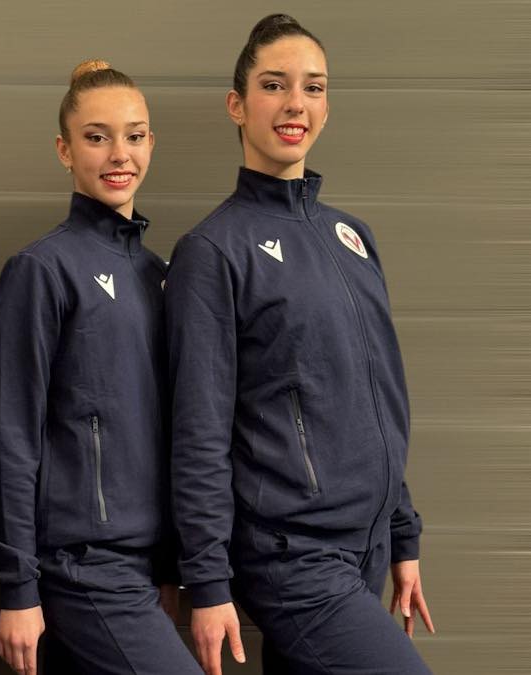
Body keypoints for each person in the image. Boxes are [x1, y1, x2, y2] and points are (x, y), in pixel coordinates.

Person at [166, 14, 436, 675]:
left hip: (365, 546)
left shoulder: (353, 237)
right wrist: (206, 579)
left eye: (313, 87)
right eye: (275, 85)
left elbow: (376, 393)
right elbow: (198, 430)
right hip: (293, 555)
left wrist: (402, 532)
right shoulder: (213, 251)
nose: (296, 104)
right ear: (238, 104)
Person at [0, 59, 202, 675]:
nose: (119, 154)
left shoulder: (160, 275)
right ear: (64, 148)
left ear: (151, 143)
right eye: (96, 136)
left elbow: (167, 431)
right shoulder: (41, 269)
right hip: (78, 567)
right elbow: (13, 435)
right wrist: (18, 586)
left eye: (134, 136)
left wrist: (166, 567)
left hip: (139, 566)